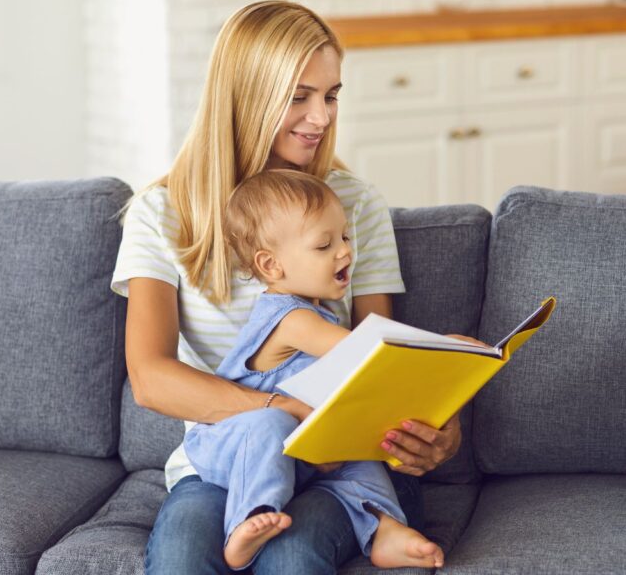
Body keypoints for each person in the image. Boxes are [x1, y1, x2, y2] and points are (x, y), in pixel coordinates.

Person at [110, 2, 463, 573]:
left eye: (331, 95)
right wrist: (279, 413)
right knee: (180, 559)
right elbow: (151, 379)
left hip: (338, 463)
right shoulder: (161, 214)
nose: (321, 118)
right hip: (224, 460)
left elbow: (379, 353)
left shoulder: (355, 205)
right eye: (299, 96)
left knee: (292, 558)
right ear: (245, 95)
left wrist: (440, 429)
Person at [183, 169, 445, 571]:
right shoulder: (291, 319)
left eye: (344, 237)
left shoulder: (315, 311)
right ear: (271, 265)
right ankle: (246, 521)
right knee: (268, 422)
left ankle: (383, 526)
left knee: (355, 447)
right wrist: (450, 348)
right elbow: (367, 352)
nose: (344, 252)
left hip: (295, 451)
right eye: (324, 245)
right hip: (230, 445)